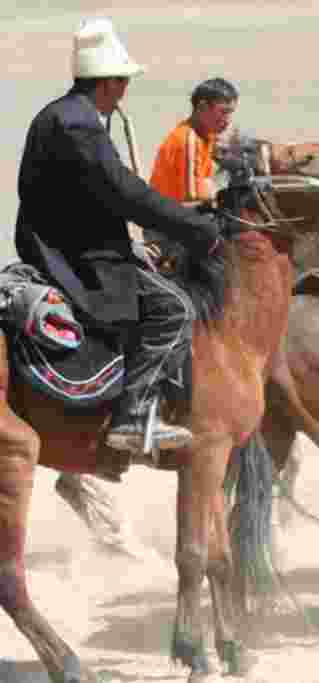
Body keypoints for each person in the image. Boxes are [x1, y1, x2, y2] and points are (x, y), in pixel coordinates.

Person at [15, 17, 221, 458]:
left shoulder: (64, 116)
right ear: (108, 83)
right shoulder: (77, 125)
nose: (126, 90)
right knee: (175, 308)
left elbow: (109, 192)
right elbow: (125, 192)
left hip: (72, 242)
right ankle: (134, 416)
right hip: (77, 256)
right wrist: (196, 228)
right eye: (123, 81)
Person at [150, 78, 238, 203]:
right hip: (169, 215)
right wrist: (220, 185)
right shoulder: (189, 138)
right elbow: (192, 194)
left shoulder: (206, 136)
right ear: (202, 107)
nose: (228, 120)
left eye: (230, 113)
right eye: (224, 112)